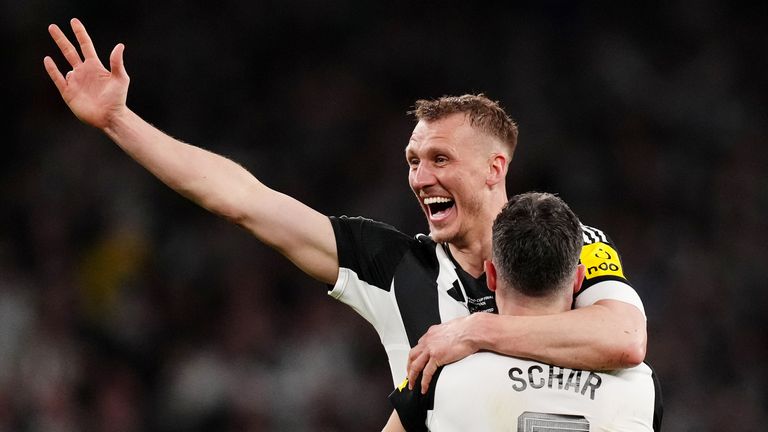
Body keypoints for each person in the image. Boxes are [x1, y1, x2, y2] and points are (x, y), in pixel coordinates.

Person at [43, 18, 646, 413]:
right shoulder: (390, 267)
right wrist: (120, 121)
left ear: (495, 168)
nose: (419, 177)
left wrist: (474, 332)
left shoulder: (568, 244)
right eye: (412, 160)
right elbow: (244, 200)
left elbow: (625, 338)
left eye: (439, 158)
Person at [388, 192, 662, 431]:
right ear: (578, 279)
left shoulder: (437, 373)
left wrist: (475, 328)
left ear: (491, 275)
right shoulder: (641, 386)